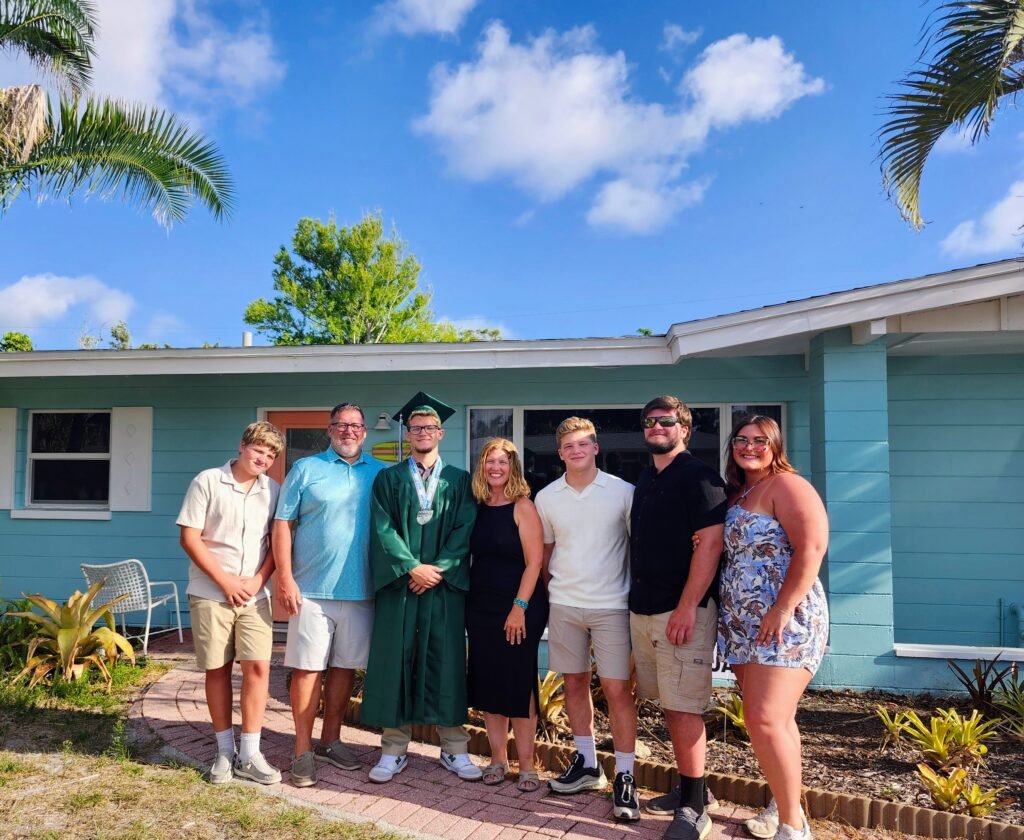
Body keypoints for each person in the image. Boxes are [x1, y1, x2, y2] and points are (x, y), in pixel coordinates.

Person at [718, 415, 829, 840]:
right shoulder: (742, 492)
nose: (749, 447)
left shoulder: (788, 485)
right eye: (742, 440)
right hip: (743, 624)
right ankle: (784, 803)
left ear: (776, 445)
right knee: (776, 721)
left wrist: (782, 609)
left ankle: (793, 827)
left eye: (760, 441)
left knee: (765, 719)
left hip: (784, 621)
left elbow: (812, 547)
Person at [362, 392, 482, 783]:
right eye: (416, 428)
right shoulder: (388, 478)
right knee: (396, 660)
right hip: (401, 586)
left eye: (429, 427)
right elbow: (382, 529)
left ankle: (455, 749)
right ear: (408, 433)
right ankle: (393, 750)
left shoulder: (460, 481)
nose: (422, 433)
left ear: (440, 433)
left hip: (443, 589)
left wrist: (439, 569)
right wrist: (412, 568)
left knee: (446, 663)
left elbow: (466, 530)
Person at [630, 396, 728, 840]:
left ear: (684, 428)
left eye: (665, 421)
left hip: (681, 610)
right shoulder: (648, 478)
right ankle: (694, 790)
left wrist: (688, 606)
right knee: (670, 704)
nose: (656, 427)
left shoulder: (700, 476)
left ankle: (694, 811)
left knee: (684, 705)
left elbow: (710, 545)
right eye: (649, 421)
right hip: (645, 608)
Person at [272, 403, 385, 787]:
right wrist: (285, 578)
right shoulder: (305, 469)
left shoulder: (381, 474)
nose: (348, 431)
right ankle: (302, 750)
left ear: (365, 432)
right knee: (308, 669)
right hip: (311, 592)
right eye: (341, 425)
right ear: (329, 430)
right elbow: (283, 524)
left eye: (355, 425)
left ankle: (330, 740)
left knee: (344, 669)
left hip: (361, 591)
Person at [534, 417, 638, 821]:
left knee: (616, 690)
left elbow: (635, 547)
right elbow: (546, 554)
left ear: (596, 447)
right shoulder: (547, 497)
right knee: (574, 683)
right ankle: (587, 763)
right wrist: (557, 590)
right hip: (565, 605)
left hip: (612, 604)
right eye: (568, 446)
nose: (576, 451)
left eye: (583, 444)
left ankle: (625, 776)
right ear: (559, 453)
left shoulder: (622, 492)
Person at [177, 421, 284, 785]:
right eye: (259, 450)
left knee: (258, 668)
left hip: (255, 595)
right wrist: (224, 581)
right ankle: (224, 751)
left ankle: (250, 754)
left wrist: (257, 580)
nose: (263, 459)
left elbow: (275, 543)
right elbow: (190, 538)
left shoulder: (273, 490)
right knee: (218, 669)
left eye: (270, 456)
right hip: (210, 592)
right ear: (242, 446)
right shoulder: (207, 481)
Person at [465, 438, 548, 792]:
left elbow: (535, 563)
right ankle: (498, 758)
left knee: (517, 683)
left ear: (513, 468)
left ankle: (527, 764)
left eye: (502, 462)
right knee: (487, 682)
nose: (495, 468)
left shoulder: (523, 506)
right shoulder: (478, 506)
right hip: (481, 606)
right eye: (489, 462)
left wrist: (519, 608)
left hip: (520, 605)